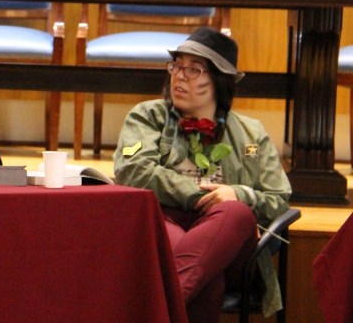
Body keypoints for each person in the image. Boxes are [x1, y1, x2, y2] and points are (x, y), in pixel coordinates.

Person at [113, 27, 291, 322]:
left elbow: (279, 200)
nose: (179, 76)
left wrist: (237, 194)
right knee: (208, 280)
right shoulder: (148, 116)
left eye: (194, 69)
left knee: (237, 212)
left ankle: (148, 312)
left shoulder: (251, 133)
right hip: (166, 219)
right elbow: (134, 172)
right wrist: (201, 197)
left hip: (228, 237)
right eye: (176, 66)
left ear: (220, 81)